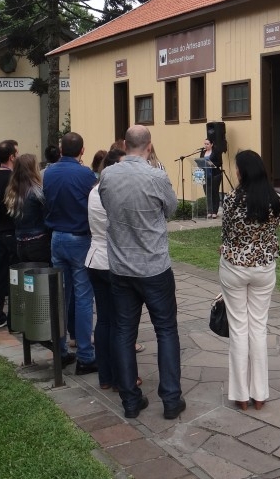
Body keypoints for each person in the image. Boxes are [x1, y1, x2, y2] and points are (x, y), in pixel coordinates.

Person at [99, 124, 183, 420]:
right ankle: (171, 399)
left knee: (124, 331)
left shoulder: (108, 175)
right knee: (166, 330)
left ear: (125, 144)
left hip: (122, 266)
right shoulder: (156, 176)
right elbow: (171, 209)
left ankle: (131, 400)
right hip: (154, 266)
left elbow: (109, 206)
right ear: (149, 146)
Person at [219, 150, 280, 411]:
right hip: (264, 268)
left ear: (242, 172)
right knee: (258, 328)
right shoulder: (275, 199)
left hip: (234, 267)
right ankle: (259, 394)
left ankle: (241, 395)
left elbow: (226, 233)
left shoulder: (232, 200)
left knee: (238, 329)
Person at [44, 132, 98, 375]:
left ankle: (61, 349)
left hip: (56, 237)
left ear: (60, 148)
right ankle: (86, 355)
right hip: (79, 237)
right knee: (83, 296)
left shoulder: (49, 172)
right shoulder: (86, 174)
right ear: (82, 150)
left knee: (60, 296)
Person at [85, 148, 125, 390]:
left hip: (95, 259)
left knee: (104, 320)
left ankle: (106, 377)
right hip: (113, 262)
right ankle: (122, 377)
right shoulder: (111, 194)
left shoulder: (93, 191)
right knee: (120, 322)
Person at [0, 139, 18, 329]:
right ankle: (15, 318)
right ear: (11, 157)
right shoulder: (12, 179)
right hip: (11, 229)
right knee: (15, 276)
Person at [5, 154, 50, 264]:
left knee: (27, 278)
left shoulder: (12, 191)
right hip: (39, 240)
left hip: (20, 241)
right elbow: (46, 215)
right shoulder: (37, 192)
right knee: (40, 277)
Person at [203, 138, 222, 219]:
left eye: (207, 144)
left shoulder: (216, 152)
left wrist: (210, 163)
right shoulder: (203, 152)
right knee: (208, 193)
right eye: (205, 144)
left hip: (215, 175)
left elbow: (220, 163)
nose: (206, 145)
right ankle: (209, 211)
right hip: (205, 175)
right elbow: (201, 161)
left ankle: (215, 211)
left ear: (211, 144)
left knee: (214, 193)